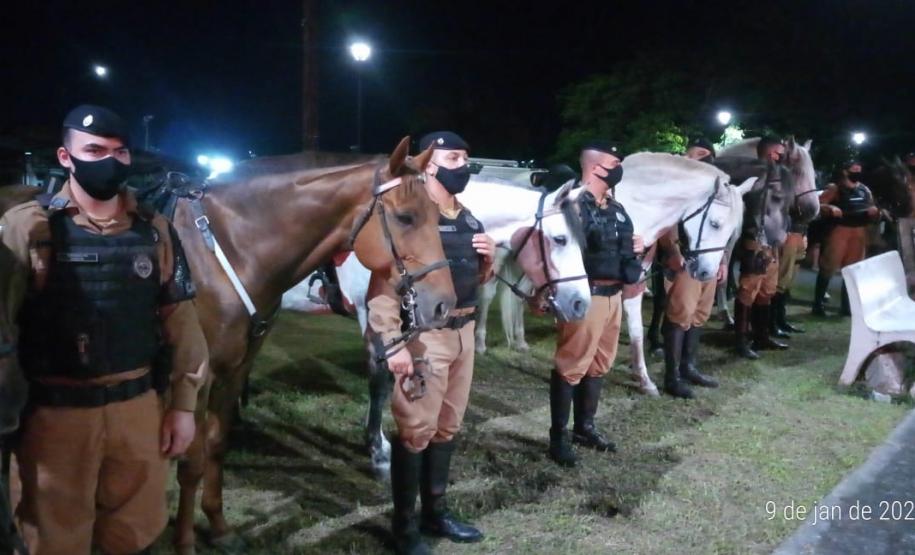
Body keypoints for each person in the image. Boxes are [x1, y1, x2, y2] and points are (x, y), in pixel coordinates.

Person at [1, 105, 208, 555]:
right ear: (65, 156)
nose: (109, 160)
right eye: (94, 149)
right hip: (54, 419)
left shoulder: (154, 230)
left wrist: (185, 406)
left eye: (119, 151)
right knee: (53, 540)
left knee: (135, 537)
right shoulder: (29, 228)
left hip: (138, 412)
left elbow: (183, 321)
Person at [366, 131, 495, 554]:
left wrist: (488, 261)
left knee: (447, 427)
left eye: (466, 157)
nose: (464, 166)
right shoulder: (410, 216)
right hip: (423, 337)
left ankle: (435, 512)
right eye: (454, 157)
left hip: (463, 333)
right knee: (416, 431)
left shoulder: (469, 218)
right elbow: (382, 288)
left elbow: (468, 280)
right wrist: (393, 344)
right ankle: (403, 527)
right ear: (429, 164)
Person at [549, 141, 644, 467]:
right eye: (614, 162)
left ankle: (584, 427)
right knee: (572, 364)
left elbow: (623, 247)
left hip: (614, 294)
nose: (619, 168)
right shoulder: (573, 205)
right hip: (586, 296)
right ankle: (558, 437)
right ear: (595, 167)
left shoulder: (616, 207)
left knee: (600, 363)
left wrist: (637, 247)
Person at [655, 137, 724, 398]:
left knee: (699, 315)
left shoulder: (716, 190)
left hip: (709, 260)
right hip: (686, 259)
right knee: (679, 314)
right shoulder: (677, 188)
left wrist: (722, 261)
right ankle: (672, 377)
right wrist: (672, 251)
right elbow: (666, 221)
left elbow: (720, 228)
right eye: (697, 155)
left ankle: (689, 367)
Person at [733, 136, 791, 359]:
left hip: (773, 243)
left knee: (767, 290)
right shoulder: (751, 175)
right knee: (748, 290)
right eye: (778, 152)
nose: (781, 156)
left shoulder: (780, 177)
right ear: (769, 153)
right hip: (755, 240)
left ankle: (761, 336)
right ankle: (741, 340)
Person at [812, 162, 879, 316]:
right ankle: (818, 305)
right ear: (845, 171)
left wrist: (874, 211)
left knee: (852, 270)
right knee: (828, 266)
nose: (857, 172)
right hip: (840, 230)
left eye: (859, 170)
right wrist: (830, 208)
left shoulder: (864, 190)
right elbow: (818, 204)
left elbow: (873, 206)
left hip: (859, 231)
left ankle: (846, 307)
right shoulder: (835, 188)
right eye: (853, 170)